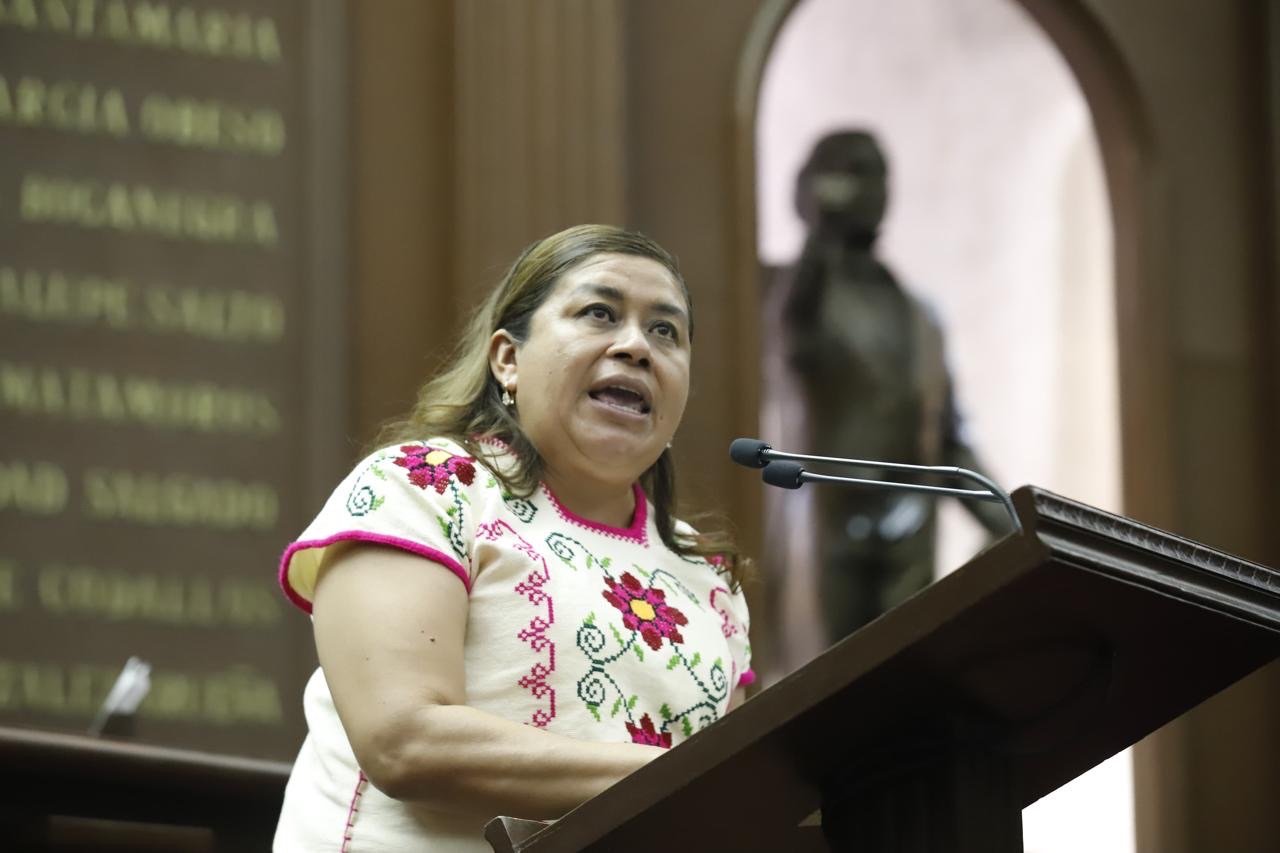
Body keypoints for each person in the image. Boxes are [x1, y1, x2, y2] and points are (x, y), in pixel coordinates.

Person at [273, 224, 753, 850]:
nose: (637, 346)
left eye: (666, 330)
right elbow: (404, 741)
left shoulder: (705, 575)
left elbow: (740, 802)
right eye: (599, 313)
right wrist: (687, 775)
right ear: (507, 360)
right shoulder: (425, 488)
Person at [782, 131, 1009, 644]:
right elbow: (797, 338)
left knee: (902, 694)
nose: (865, 188)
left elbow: (948, 436)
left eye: (875, 173)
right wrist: (817, 228)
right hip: (831, 524)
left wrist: (1007, 519)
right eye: (848, 172)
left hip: (909, 527)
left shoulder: (919, 315)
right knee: (823, 693)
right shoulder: (799, 297)